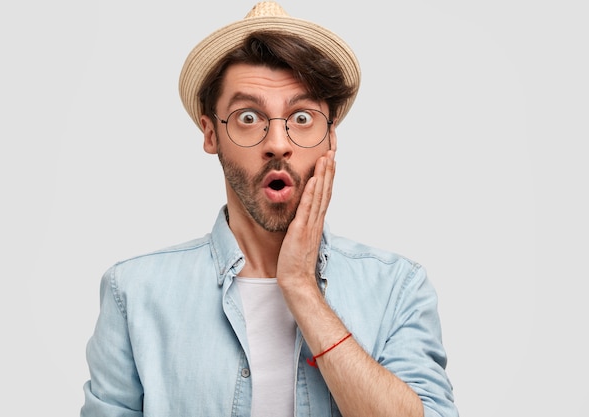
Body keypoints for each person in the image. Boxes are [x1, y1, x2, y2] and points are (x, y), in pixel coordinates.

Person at [81, 2, 458, 416]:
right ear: (211, 134)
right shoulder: (133, 293)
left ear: (330, 137)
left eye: (301, 117)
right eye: (248, 117)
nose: (278, 143)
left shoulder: (397, 288)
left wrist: (300, 286)